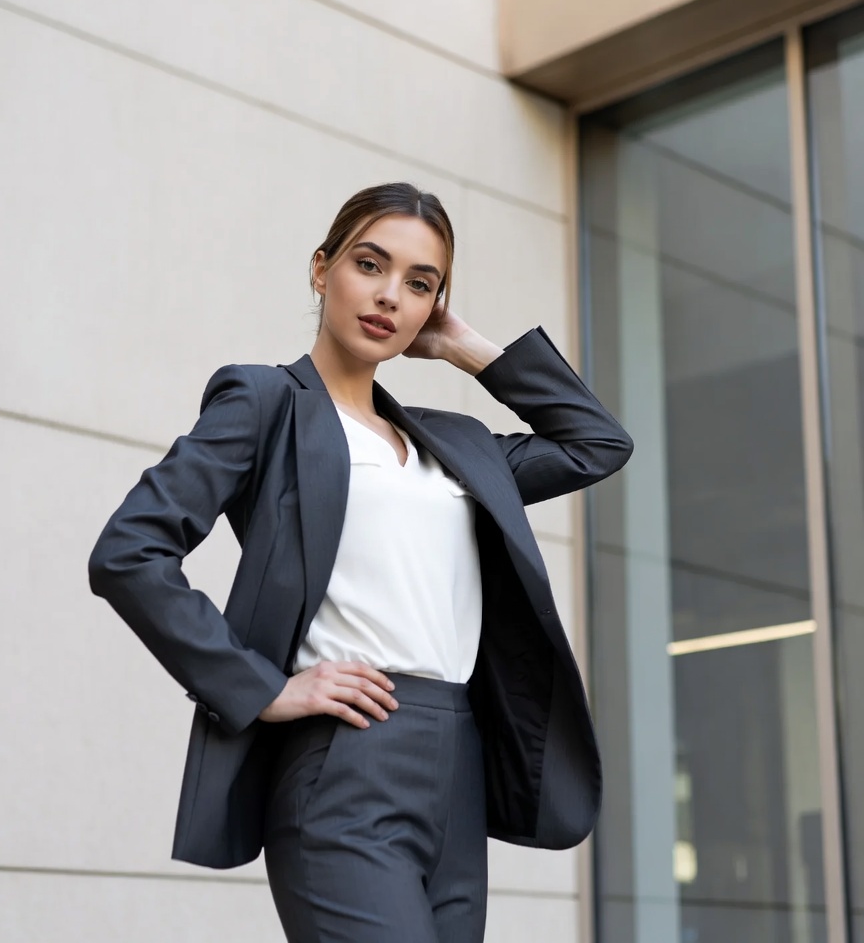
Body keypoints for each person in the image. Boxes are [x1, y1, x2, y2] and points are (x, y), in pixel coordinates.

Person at [88, 182, 633, 943]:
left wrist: (466, 349)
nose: (388, 297)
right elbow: (129, 552)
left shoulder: (458, 445)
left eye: (420, 284)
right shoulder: (267, 402)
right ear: (321, 270)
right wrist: (262, 687)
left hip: (459, 765)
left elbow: (596, 443)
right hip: (348, 759)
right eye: (368, 265)